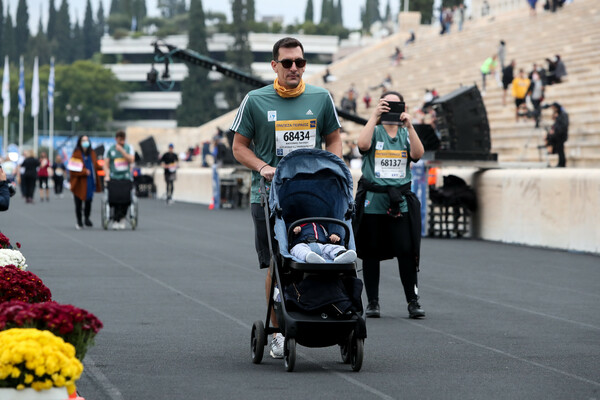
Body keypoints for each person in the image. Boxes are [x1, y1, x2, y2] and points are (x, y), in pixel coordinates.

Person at [231, 37, 342, 359]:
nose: (295, 68)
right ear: (274, 66)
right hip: (267, 195)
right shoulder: (255, 100)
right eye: (288, 62)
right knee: (278, 265)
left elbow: (334, 139)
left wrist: (334, 167)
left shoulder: (321, 98)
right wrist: (264, 167)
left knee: (321, 254)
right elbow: (239, 147)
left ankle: (326, 311)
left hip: (313, 195)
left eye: (300, 62)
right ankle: (278, 329)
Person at [354, 91, 425, 319]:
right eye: (387, 105)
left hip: (399, 202)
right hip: (374, 201)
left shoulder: (405, 133)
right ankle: (373, 302)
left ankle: (412, 301)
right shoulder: (374, 131)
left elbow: (418, 154)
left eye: (396, 105)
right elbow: (362, 145)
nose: (391, 109)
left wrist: (411, 126)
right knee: (371, 253)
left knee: (406, 251)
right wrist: (374, 116)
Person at [103, 130, 135, 230]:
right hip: (114, 178)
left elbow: (131, 160)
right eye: (120, 140)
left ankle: (122, 218)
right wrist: (107, 175)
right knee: (114, 198)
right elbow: (106, 164)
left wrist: (122, 151)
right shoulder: (110, 149)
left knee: (125, 199)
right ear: (116, 139)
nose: (122, 142)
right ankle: (115, 218)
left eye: (123, 140)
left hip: (125, 177)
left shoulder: (128, 148)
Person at [68, 135, 102, 229]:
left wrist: (104, 166)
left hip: (90, 181)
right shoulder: (76, 153)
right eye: (83, 140)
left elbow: (96, 165)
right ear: (80, 142)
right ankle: (79, 220)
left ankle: (87, 218)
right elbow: (72, 168)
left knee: (89, 201)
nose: (85, 142)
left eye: (87, 140)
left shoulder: (92, 153)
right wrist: (84, 171)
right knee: (78, 202)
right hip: (79, 182)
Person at [289, 222, 357, 264]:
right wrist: (294, 230)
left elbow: (329, 237)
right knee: (298, 249)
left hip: (321, 246)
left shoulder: (322, 226)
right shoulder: (297, 224)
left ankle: (341, 254)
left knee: (332, 248)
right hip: (303, 244)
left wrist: (335, 236)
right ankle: (308, 256)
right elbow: (287, 235)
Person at [545, 102, 569, 167]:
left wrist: (556, 131)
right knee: (559, 150)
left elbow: (563, 125)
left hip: (561, 135)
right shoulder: (559, 114)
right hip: (558, 135)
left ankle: (562, 163)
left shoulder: (563, 114)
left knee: (561, 150)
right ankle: (560, 163)